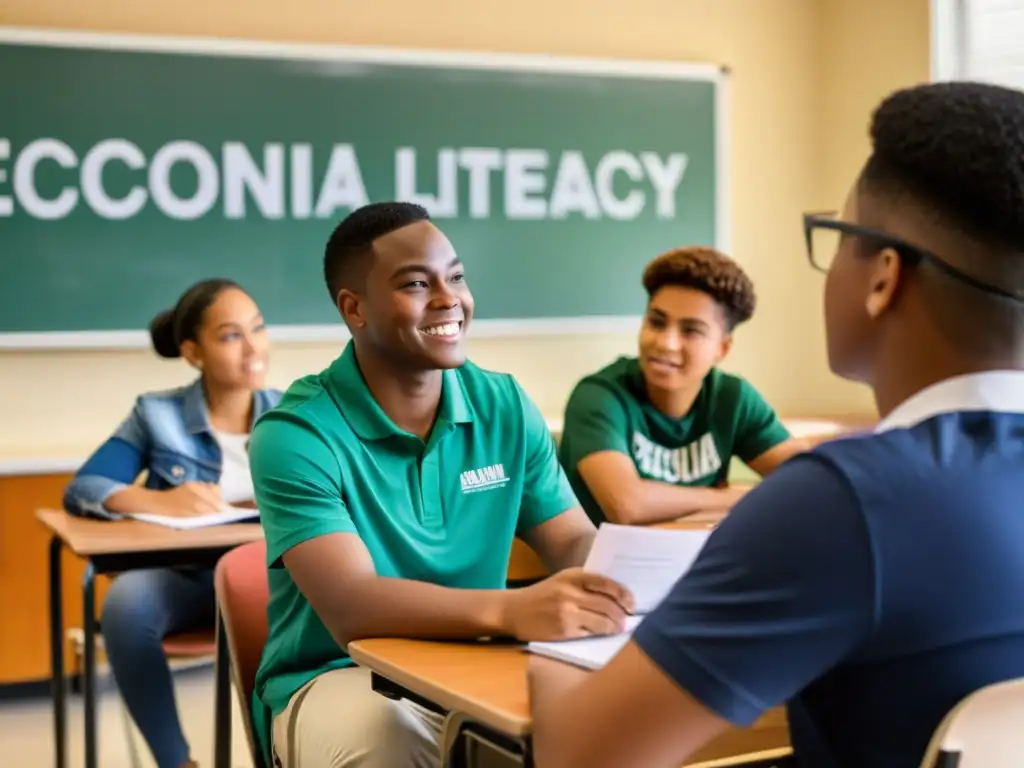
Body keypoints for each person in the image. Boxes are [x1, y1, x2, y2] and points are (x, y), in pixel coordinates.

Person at [528, 80, 1024, 768]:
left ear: (883, 277)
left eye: (837, 235)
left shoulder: (842, 504)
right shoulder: (610, 398)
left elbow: (582, 755)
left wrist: (557, 665)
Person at [248, 201, 632, 768]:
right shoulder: (296, 434)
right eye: (415, 284)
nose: (449, 298)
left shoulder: (503, 405)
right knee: (389, 736)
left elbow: (573, 541)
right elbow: (352, 605)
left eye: (455, 276)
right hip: (339, 678)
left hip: (479, 664)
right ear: (354, 309)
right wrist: (511, 610)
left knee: (616, 715)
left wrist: (640, 574)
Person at [63, 278, 280, 768]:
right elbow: (84, 489)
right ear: (192, 352)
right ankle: (176, 763)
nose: (253, 348)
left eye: (258, 328)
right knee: (125, 604)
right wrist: (161, 501)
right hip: (188, 581)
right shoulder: (155, 415)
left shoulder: (294, 412)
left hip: (272, 581)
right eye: (230, 336)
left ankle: (281, 755)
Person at [558, 247, 806, 526]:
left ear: (722, 348)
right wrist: (735, 497)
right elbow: (627, 505)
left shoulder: (733, 399)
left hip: (700, 564)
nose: (665, 343)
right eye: (656, 322)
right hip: (606, 567)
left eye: (691, 331)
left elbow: (808, 481)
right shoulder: (599, 396)